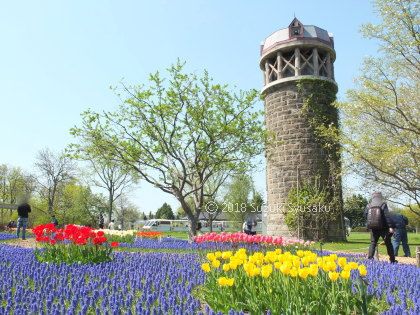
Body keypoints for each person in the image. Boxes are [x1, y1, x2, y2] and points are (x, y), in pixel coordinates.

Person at [364, 192, 396, 263]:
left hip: (373, 228)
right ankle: (392, 260)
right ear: (380, 197)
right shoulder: (383, 204)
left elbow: (365, 215)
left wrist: (368, 225)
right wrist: (391, 226)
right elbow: (387, 216)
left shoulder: (368, 205)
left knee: (373, 243)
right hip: (383, 228)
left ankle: (370, 259)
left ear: (373, 197)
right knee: (388, 244)